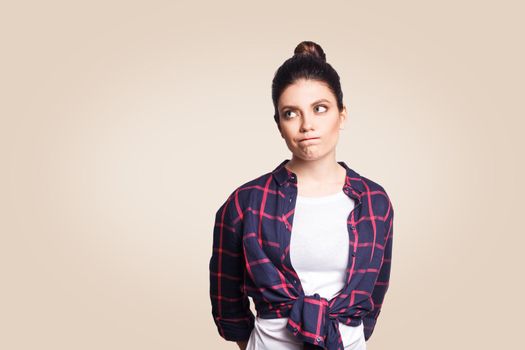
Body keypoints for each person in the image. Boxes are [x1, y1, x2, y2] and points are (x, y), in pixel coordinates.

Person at [209, 41, 394, 350]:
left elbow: (373, 298)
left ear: (342, 115)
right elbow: (226, 298)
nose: (307, 125)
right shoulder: (245, 203)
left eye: (320, 109)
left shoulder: (375, 202)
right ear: (279, 126)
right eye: (291, 113)